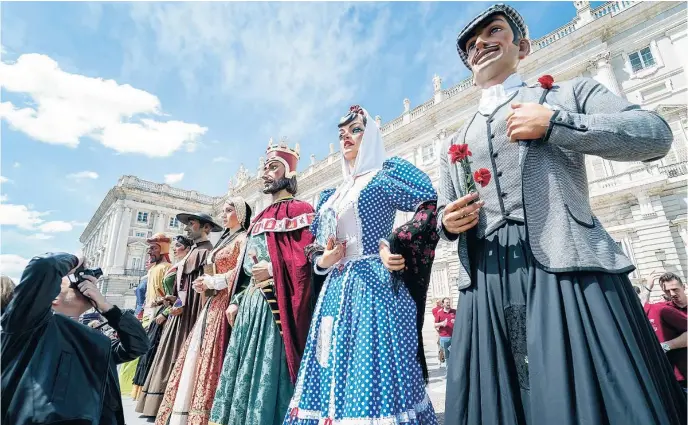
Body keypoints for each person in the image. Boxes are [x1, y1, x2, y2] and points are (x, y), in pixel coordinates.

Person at [439, 4, 685, 424]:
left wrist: (557, 124)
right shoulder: (455, 139)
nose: (479, 44)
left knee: (582, 392)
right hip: (487, 280)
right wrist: (447, 223)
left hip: (567, 262)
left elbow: (655, 134)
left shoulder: (567, 93)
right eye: (469, 44)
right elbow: (448, 206)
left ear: (524, 46)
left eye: (494, 31)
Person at [284, 105, 438, 425]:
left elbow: (428, 202)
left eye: (355, 130)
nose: (347, 138)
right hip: (334, 291)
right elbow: (314, 245)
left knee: (367, 364)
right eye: (342, 134)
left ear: (371, 136)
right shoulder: (332, 194)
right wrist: (324, 259)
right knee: (329, 359)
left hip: (374, 287)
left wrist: (396, 243)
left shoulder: (385, 176)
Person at [209, 140, 316, 425]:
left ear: (290, 174)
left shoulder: (301, 210)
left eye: (273, 167)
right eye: (264, 168)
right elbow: (244, 272)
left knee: (271, 370)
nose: (265, 173)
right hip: (250, 308)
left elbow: (308, 259)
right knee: (243, 372)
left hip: (278, 305)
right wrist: (235, 300)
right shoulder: (257, 219)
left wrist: (274, 267)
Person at [1, 253, 149, 425]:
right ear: (53, 296)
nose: (84, 285)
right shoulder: (28, 325)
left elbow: (138, 345)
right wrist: (77, 261)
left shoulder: (96, 339)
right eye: (73, 282)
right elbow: (44, 265)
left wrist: (107, 307)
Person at [157, 198, 253, 425]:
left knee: (215, 354)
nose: (223, 214)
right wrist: (204, 282)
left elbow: (243, 273)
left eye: (229, 210)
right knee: (199, 353)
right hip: (211, 303)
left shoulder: (243, 238)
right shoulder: (224, 240)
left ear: (240, 214)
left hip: (227, 301)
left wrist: (216, 281)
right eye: (223, 210)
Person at [136, 216, 221, 416]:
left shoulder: (207, 251)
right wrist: (173, 300)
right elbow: (182, 286)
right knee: (169, 353)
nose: (187, 228)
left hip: (191, 313)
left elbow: (206, 287)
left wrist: (186, 306)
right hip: (180, 310)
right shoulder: (193, 250)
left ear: (206, 227)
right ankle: (160, 404)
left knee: (179, 354)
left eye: (192, 224)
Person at [132, 234, 176, 400]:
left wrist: (164, 313)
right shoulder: (154, 270)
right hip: (149, 316)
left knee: (152, 352)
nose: (150, 251)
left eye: (154, 248)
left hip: (159, 316)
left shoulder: (166, 268)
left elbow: (171, 295)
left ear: (163, 249)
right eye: (150, 248)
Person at [644, 273, 688, 391]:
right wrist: (648, 287)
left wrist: (666, 346)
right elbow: (640, 308)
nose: (672, 294)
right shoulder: (663, 308)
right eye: (667, 291)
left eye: (675, 289)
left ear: (683, 287)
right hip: (677, 378)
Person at [434, 297, 455, 368]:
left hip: (454, 337)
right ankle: (448, 373)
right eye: (447, 303)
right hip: (444, 337)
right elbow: (435, 325)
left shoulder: (454, 311)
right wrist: (441, 323)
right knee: (447, 357)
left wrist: (456, 322)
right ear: (443, 304)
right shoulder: (439, 313)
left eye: (449, 302)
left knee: (455, 355)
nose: (448, 304)